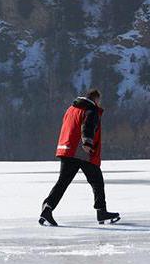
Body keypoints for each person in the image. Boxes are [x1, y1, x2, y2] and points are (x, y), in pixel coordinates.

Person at [39, 89, 120, 226]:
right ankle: (101, 212)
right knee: (97, 181)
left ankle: (48, 208)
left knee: (63, 182)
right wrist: (87, 142)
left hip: (67, 149)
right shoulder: (90, 109)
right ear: (95, 99)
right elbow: (87, 126)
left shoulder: (72, 108)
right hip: (81, 152)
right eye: (99, 101)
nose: (99, 104)